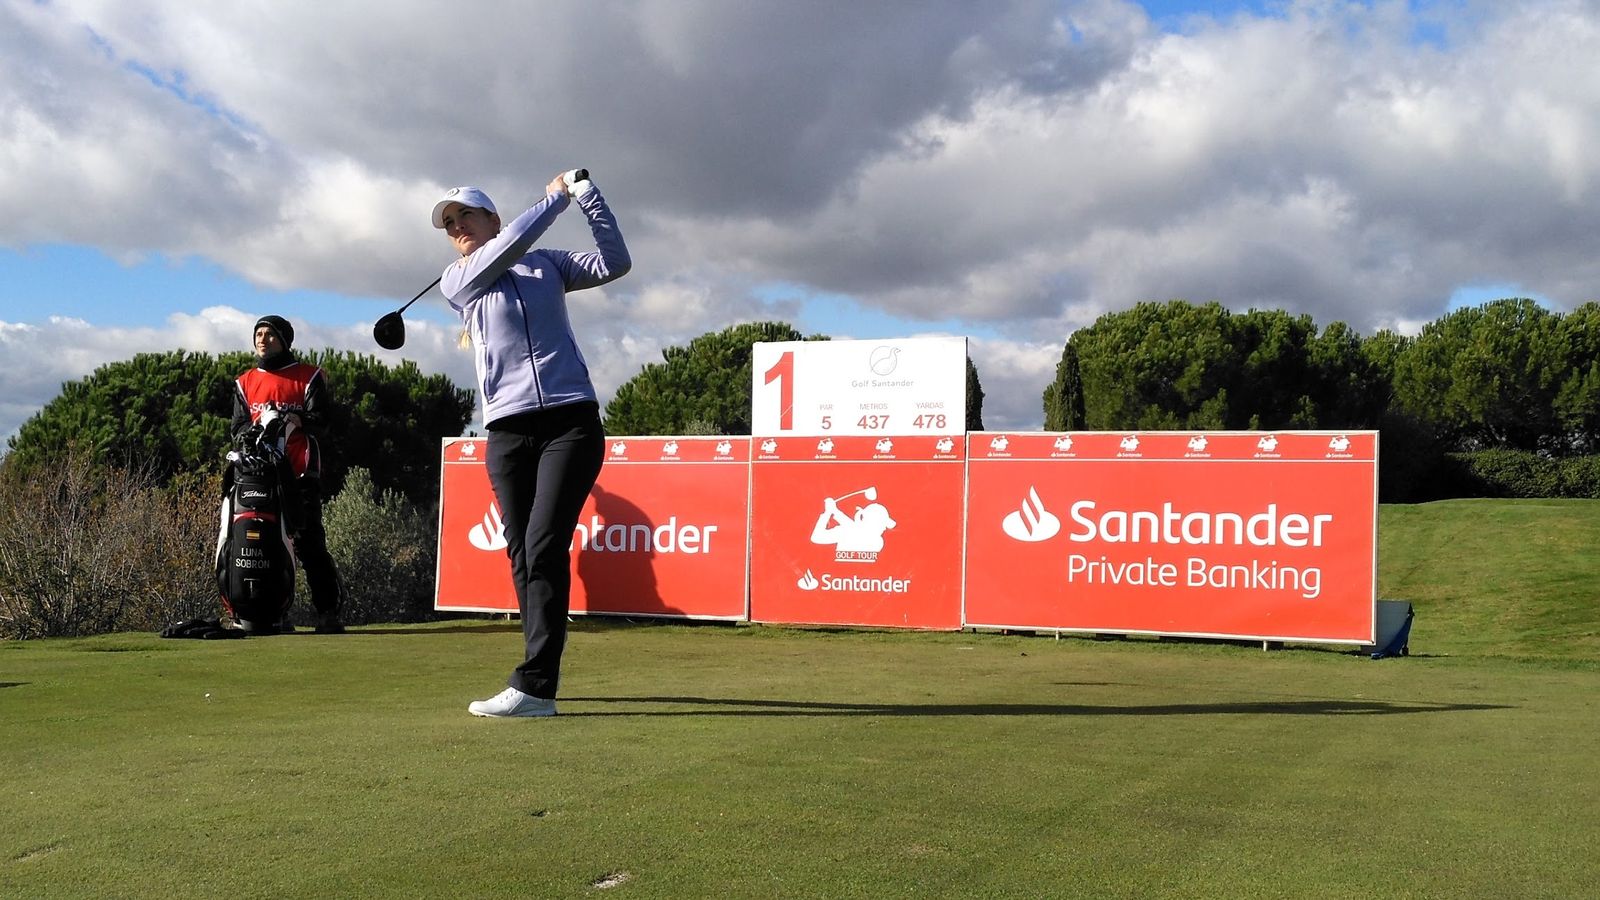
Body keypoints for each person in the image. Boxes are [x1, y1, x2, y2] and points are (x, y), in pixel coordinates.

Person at [433, 170, 631, 717]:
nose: (457, 228)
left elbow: (615, 262)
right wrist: (553, 199)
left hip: (571, 421)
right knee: (522, 553)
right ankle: (537, 671)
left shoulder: (547, 264)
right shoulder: (459, 279)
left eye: (465, 216)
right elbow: (514, 242)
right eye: (449, 224)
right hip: (507, 430)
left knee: (543, 546)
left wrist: (586, 196)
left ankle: (537, 683)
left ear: (492, 218)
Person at [230, 315, 345, 634]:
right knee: (262, 544)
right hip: (256, 475)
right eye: (258, 334)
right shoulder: (244, 381)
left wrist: (291, 417)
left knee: (309, 544)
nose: (262, 340)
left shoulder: (309, 377)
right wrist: (257, 426)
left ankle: (327, 613)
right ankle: (272, 612)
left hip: (299, 473)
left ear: (284, 340)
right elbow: (236, 428)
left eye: (269, 334)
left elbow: (322, 421)